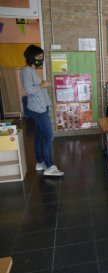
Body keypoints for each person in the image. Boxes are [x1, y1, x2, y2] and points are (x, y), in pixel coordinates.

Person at [20, 45, 64, 176]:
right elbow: (29, 90)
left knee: (39, 136)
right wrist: (42, 85)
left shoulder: (31, 70)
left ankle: (40, 163)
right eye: (39, 57)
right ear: (31, 57)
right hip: (38, 109)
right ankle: (49, 167)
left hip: (40, 107)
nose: (41, 59)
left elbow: (34, 88)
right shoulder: (26, 71)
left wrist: (41, 84)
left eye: (42, 57)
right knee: (49, 136)